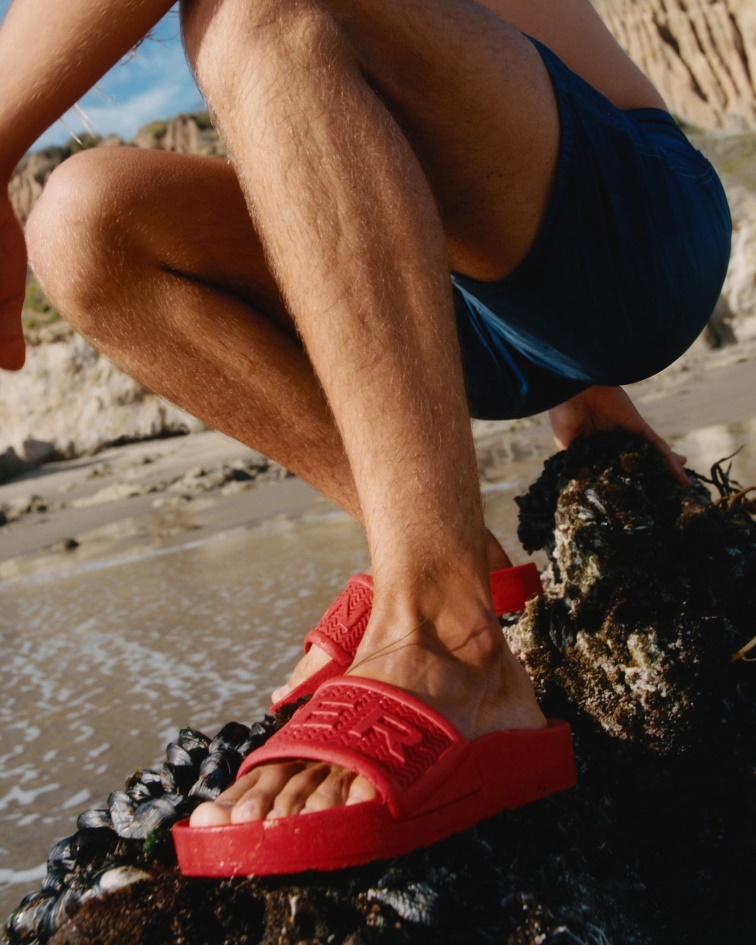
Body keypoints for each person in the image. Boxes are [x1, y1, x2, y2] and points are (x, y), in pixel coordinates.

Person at [0, 0, 730, 874]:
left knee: (255, 11)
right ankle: (434, 551)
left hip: (631, 238)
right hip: (457, 304)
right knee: (83, 223)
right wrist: (582, 398)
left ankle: (445, 628)